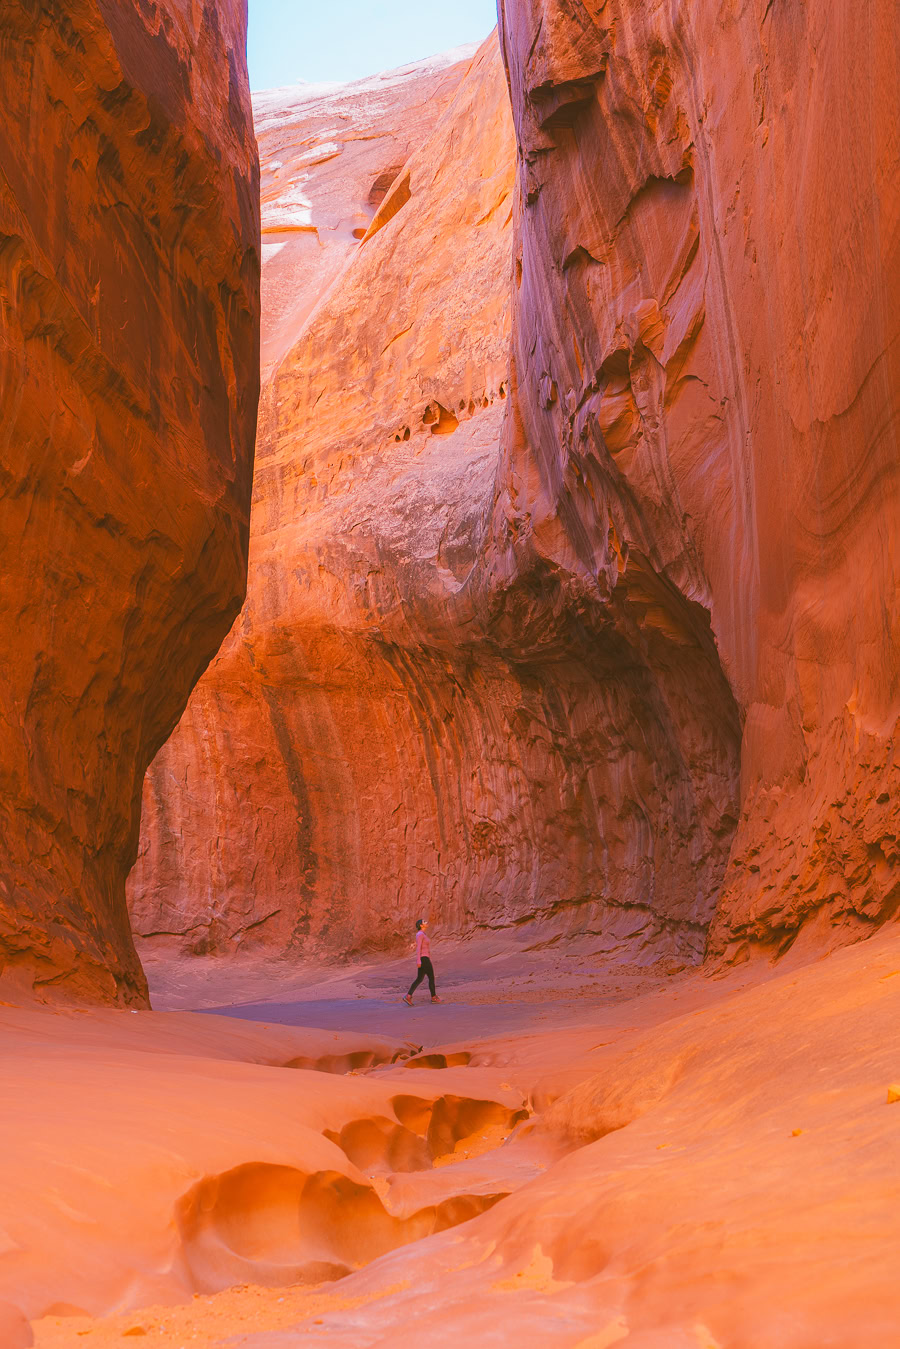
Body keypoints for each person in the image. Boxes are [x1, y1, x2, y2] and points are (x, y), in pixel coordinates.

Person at [403, 918, 442, 1004]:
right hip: (424, 959)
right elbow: (418, 948)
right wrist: (418, 961)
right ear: (421, 925)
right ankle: (433, 997)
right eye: (424, 922)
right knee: (431, 977)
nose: (426, 922)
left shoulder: (423, 934)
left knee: (419, 979)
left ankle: (408, 996)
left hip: (424, 958)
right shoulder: (420, 934)